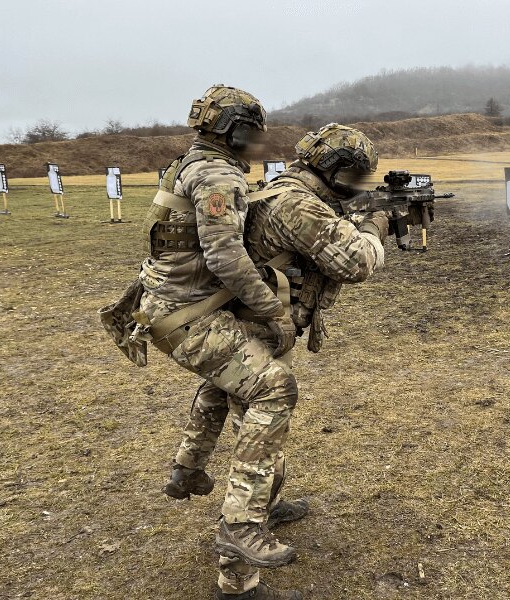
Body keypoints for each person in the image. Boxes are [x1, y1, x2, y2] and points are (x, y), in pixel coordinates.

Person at [130, 84, 305, 600]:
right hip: (187, 315)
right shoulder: (218, 174)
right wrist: (275, 311)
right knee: (273, 387)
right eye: (253, 133)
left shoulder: (187, 162)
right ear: (237, 131)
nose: (257, 143)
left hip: (175, 305)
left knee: (231, 379)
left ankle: (188, 469)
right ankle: (243, 525)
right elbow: (226, 256)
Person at [209, 123, 389, 599]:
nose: (358, 185)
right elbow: (356, 263)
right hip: (248, 338)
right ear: (333, 170)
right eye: (354, 175)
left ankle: (269, 506)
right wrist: (375, 228)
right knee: (257, 445)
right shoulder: (296, 203)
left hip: (257, 330)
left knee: (264, 436)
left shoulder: (288, 191)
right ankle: (237, 578)